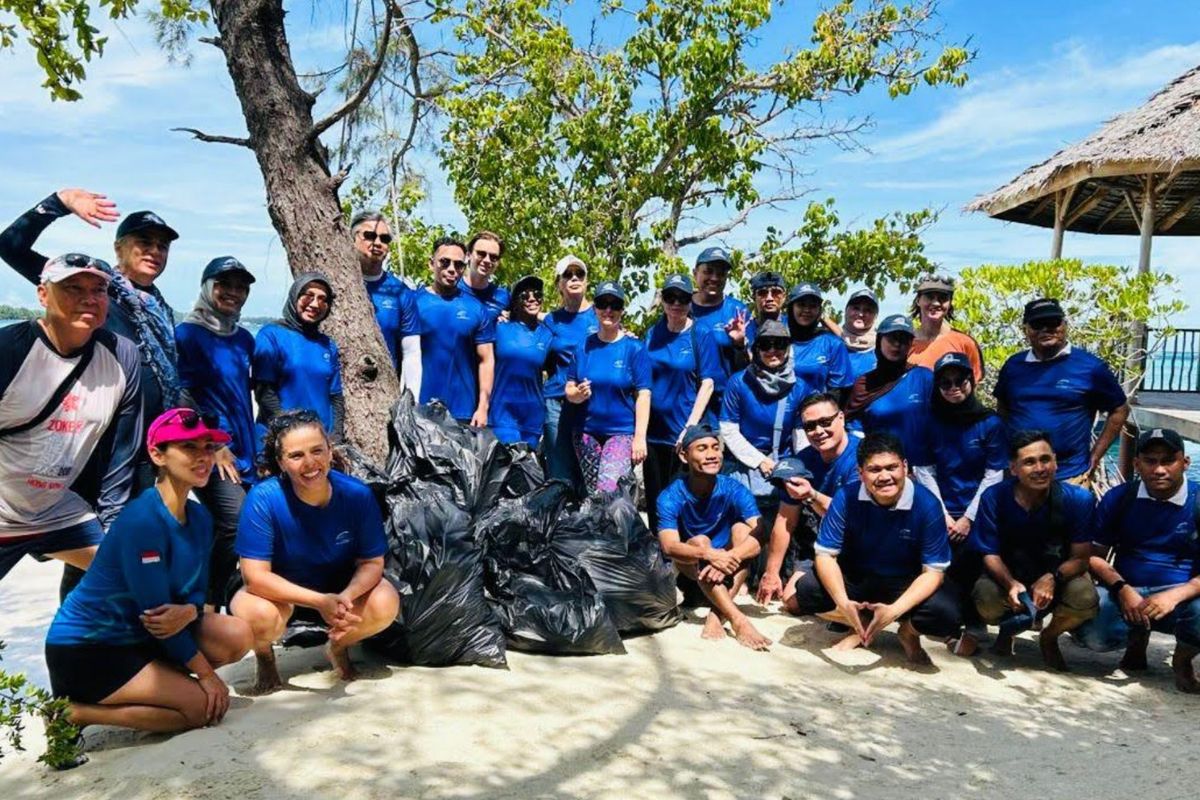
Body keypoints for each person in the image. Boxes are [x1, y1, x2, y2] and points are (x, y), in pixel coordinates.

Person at [2, 191, 182, 596]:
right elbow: (9, 246)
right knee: (90, 559)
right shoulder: (94, 287)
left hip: (149, 447)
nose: (154, 251)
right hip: (94, 449)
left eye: (162, 245)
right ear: (119, 248)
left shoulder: (159, 308)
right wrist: (58, 202)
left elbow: (172, 378)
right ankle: (78, 646)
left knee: (135, 548)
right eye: (144, 242)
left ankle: (126, 641)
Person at [44, 409, 252, 744]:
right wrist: (207, 676)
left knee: (238, 633)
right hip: (89, 649)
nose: (203, 458)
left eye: (208, 448)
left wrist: (191, 610)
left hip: (142, 636)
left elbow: (196, 592)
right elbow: (157, 617)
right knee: (201, 710)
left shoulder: (199, 517)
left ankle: (165, 684)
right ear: (157, 454)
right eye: (189, 448)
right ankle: (73, 712)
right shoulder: (142, 522)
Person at [0, 255, 141, 594]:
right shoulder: (10, 350)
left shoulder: (122, 356)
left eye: (98, 289)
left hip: (59, 513)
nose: (88, 298)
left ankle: (80, 645)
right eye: (73, 288)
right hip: (2, 511)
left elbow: (122, 454)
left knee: (142, 585)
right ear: (43, 294)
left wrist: (112, 526)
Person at [232, 411, 400, 693]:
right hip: (279, 591)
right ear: (281, 463)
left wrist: (345, 598)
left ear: (330, 452)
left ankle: (338, 644)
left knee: (386, 602)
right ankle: (265, 656)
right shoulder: (263, 498)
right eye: (296, 456)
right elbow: (255, 578)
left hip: (337, 586)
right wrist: (319, 601)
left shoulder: (356, 494)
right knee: (257, 615)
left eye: (317, 451)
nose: (310, 464)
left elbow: (372, 561)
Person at [790, 433, 960, 664]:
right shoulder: (846, 497)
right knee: (808, 590)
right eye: (874, 470)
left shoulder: (927, 504)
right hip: (858, 577)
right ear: (861, 473)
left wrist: (894, 611)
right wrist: (843, 603)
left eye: (892, 467)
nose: (885, 477)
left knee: (946, 614)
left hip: (904, 581)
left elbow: (933, 572)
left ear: (905, 467)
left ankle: (907, 633)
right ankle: (859, 625)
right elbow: (825, 556)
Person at [1076, 428, 1200, 692]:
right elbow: (1093, 558)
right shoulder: (1120, 498)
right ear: (1137, 464)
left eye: (1168, 460)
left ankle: (1182, 660)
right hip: (1128, 591)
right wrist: (1122, 590)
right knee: (1093, 635)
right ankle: (1136, 642)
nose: (1159, 469)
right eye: (1150, 461)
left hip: (1183, 598)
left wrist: (1174, 596)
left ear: (1185, 463)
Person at [968, 431, 1098, 669]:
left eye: (1045, 459)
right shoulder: (994, 497)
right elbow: (989, 552)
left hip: (1057, 576)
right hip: (1009, 574)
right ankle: (1007, 630)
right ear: (1014, 468)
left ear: (1055, 462)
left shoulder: (1079, 499)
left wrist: (1053, 578)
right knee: (985, 597)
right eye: (1029, 462)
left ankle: (1049, 637)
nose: (1040, 468)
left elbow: (1081, 558)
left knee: (1086, 597)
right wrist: (1010, 584)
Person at [176, 257, 259, 609]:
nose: (233, 293)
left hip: (245, 446)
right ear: (208, 286)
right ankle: (207, 604)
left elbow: (244, 395)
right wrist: (212, 443)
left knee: (250, 522)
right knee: (234, 519)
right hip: (207, 448)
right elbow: (184, 395)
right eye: (225, 284)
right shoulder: (187, 334)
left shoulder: (243, 339)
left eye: (241, 287)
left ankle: (234, 600)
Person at [656, 424, 770, 650]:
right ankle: (739, 620)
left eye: (715, 448)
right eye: (702, 448)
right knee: (701, 541)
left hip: (728, 567)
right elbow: (669, 546)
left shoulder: (732, 488)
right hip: (691, 570)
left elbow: (761, 530)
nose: (711, 455)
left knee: (742, 530)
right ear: (684, 455)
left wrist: (730, 557)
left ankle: (718, 614)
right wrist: (709, 555)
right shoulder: (670, 495)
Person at [993, 298, 1130, 486]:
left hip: (1070, 475)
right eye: (1037, 324)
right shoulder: (1013, 365)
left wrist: (1095, 456)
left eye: (1052, 323)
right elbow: (1003, 409)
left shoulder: (1091, 367)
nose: (1046, 329)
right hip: (1020, 476)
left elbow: (1120, 410)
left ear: (1064, 325)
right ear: (1026, 329)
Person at [757, 393, 862, 606]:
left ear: (841, 418)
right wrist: (771, 573)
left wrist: (811, 495)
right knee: (791, 601)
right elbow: (785, 520)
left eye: (825, 422)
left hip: (861, 545)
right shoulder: (802, 461)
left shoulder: (864, 456)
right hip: (821, 546)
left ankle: (854, 611)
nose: (819, 432)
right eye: (810, 426)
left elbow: (853, 519)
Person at [643, 274, 721, 530]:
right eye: (670, 297)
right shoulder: (652, 333)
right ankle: (659, 556)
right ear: (663, 300)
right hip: (654, 435)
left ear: (691, 301)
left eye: (683, 298)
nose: (676, 303)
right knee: (656, 501)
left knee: (683, 502)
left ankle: (685, 560)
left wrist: (690, 427)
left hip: (686, 434)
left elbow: (708, 383)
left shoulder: (701, 334)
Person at [719, 319, 816, 510]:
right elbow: (729, 429)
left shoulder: (800, 387)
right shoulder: (738, 383)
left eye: (779, 344)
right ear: (756, 349)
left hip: (785, 467)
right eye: (765, 345)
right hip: (744, 465)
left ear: (788, 348)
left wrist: (802, 468)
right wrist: (759, 461)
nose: (773, 351)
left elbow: (800, 434)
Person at [565, 281, 651, 494]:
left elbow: (644, 394)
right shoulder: (583, 347)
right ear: (595, 308)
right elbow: (569, 389)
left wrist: (640, 437)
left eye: (615, 305)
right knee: (593, 494)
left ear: (622, 310)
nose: (609, 310)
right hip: (586, 433)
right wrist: (577, 394)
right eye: (603, 304)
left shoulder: (634, 348)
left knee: (608, 490)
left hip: (621, 432)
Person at [914, 352, 1007, 539]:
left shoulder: (991, 423)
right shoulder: (928, 422)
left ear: (971, 381)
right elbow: (924, 472)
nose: (954, 388)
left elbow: (994, 475)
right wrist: (942, 515)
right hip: (939, 513)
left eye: (960, 381)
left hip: (982, 511)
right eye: (946, 383)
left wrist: (968, 518)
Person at [253, 273, 345, 440]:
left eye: (323, 299)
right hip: (278, 438)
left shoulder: (327, 344)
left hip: (318, 440)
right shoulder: (271, 335)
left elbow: (336, 397)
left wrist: (335, 437)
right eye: (308, 296)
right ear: (295, 296)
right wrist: (288, 431)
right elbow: (264, 392)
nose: (315, 304)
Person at [415, 236, 496, 426]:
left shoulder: (476, 308)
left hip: (464, 412)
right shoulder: (412, 302)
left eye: (458, 265)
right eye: (445, 262)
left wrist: (483, 407)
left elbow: (487, 360)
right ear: (431, 264)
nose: (452, 269)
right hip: (420, 409)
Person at [844, 314, 934, 467]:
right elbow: (854, 430)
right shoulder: (864, 383)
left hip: (923, 469)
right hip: (881, 472)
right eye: (892, 338)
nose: (898, 344)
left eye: (904, 339)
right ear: (880, 341)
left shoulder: (924, 377)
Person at [541, 255, 598, 488]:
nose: (574, 278)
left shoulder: (601, 314)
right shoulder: (551, 320)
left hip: (590, 404)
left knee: (590, 477)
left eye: (579, 274)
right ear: (559, 284)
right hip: (556, 403)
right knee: (560, 475)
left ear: (586, 282)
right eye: (567, 274)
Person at [350, 210, 422, 395]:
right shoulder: (334, 287)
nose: (377, 243)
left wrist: (411, 398)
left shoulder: (401, 293)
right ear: (352, 238)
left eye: (384, 238)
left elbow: (411, 353)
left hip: (384, 393)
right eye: (369, 236)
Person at [489, 275, 555, 447]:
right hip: (501, 415)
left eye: (537, 295)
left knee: (529, 471)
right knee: (506, 470)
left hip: (533, 418)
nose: (532, 299)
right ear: (515, 302)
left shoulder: (548, 334)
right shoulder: (499, 327)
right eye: (525, 296)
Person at [690, 246, 750, 409]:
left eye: (721, 273)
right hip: (686, 403)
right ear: (695, 273)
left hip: (725, 404)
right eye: (708, 271)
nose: (714, 278)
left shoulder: (738, 311)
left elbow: (751, 367)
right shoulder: (680, 306)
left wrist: (739, 344)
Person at [907, 274, 984, 380]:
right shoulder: (904, 343)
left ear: (950, 303)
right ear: (918, 300)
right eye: (929, 297)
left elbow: (972, 385)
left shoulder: (965, 343)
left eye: (943, 298)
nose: (936, 303)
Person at [784, 282, 853, 397]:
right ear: (791, 308)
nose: (807, 310)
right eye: (801, 304)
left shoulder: (833, 344)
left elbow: (839, 391)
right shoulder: (776, 340)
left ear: (819, 311)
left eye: (812, 306)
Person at [458, 231, 511, 322]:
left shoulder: (504, 297)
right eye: (481, 254)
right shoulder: (451, 290)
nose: (487, 260)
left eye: (493, 257)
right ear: (468, 255)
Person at [841, 288, 879, 382]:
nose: (861, 314)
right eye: (856, 308)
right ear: (846, 311)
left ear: (875, 316)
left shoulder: (882, 347)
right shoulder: (829, 340)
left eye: (868, 310)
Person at [744, 270, 786, 348]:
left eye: (776, 292)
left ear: (784, 297)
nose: (769, 298)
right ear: (754, 297)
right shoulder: (743, 329)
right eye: (762, 293)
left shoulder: (793, 327)